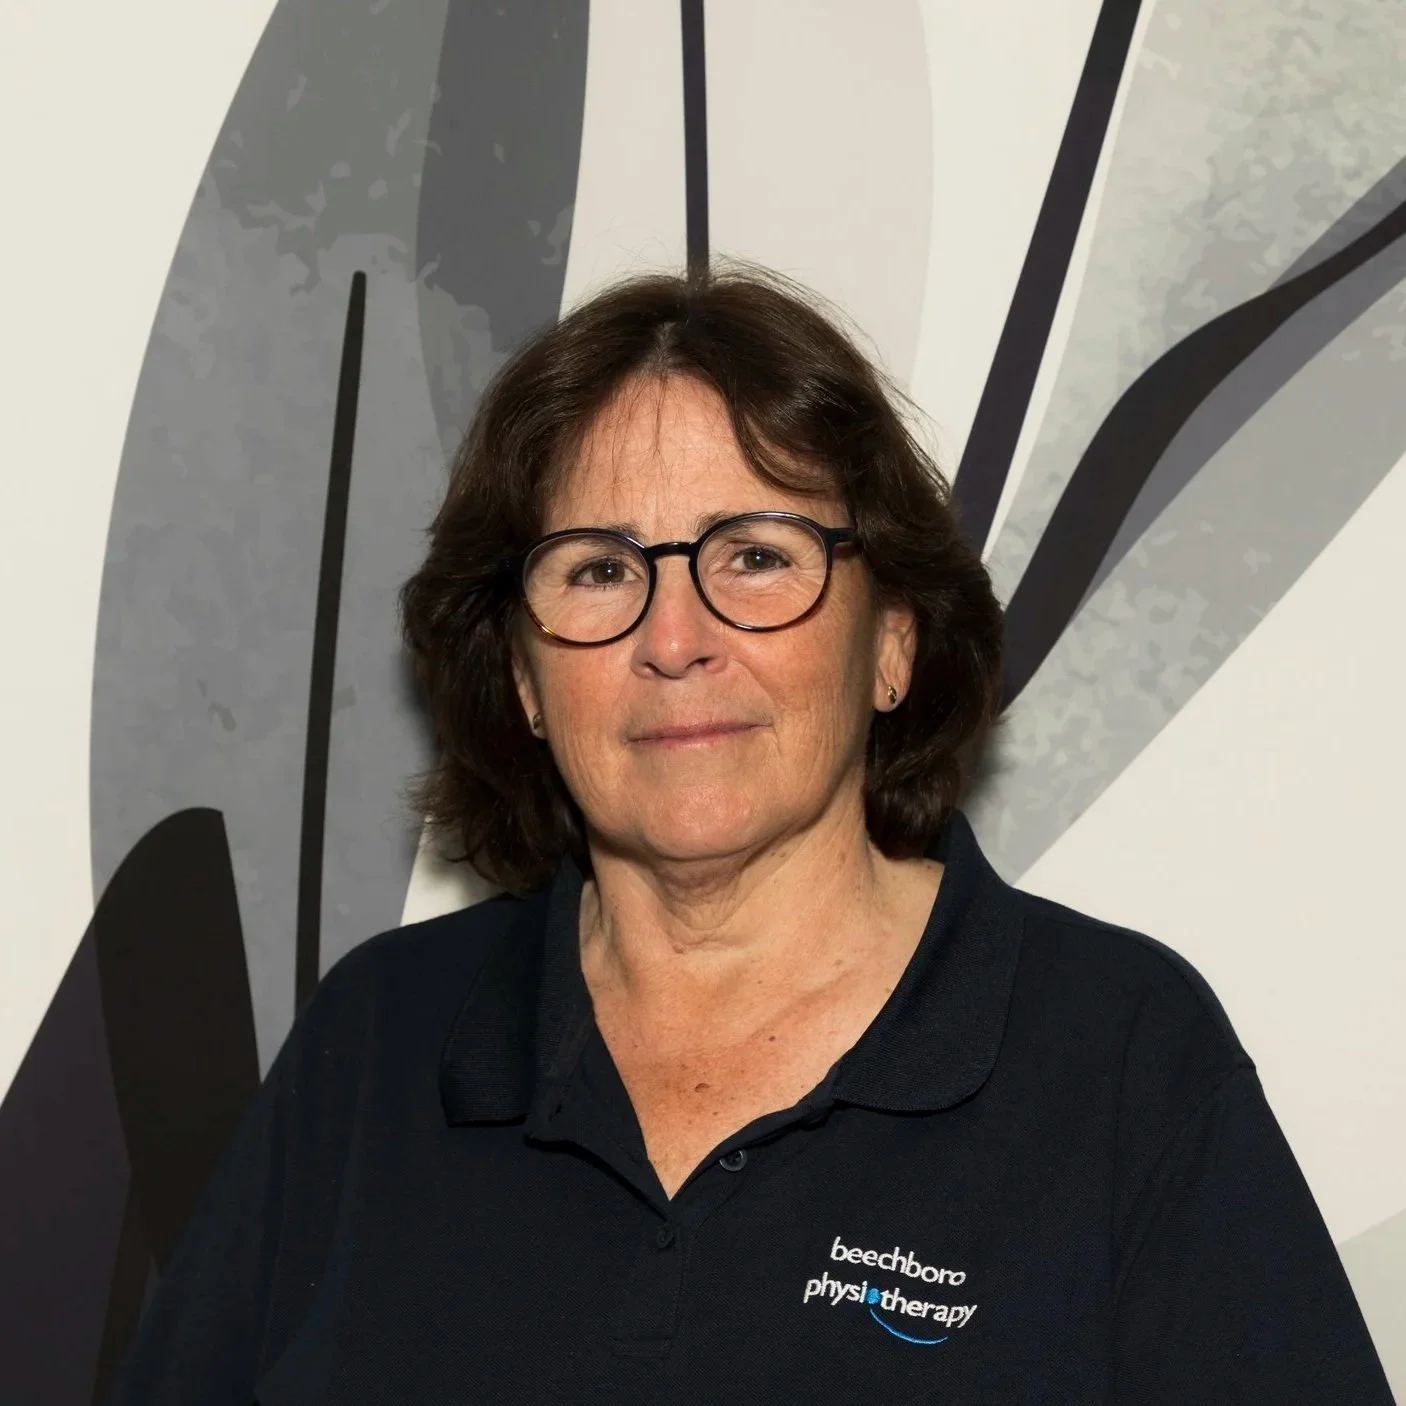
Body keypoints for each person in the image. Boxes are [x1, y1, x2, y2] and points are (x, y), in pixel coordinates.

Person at [107, 267, 1392, 1404]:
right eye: (599, 569)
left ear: (892, 642)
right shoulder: (378, 1043)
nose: (674, 640)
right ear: (522, 679)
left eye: (757, 556)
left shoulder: (1117, 1056)